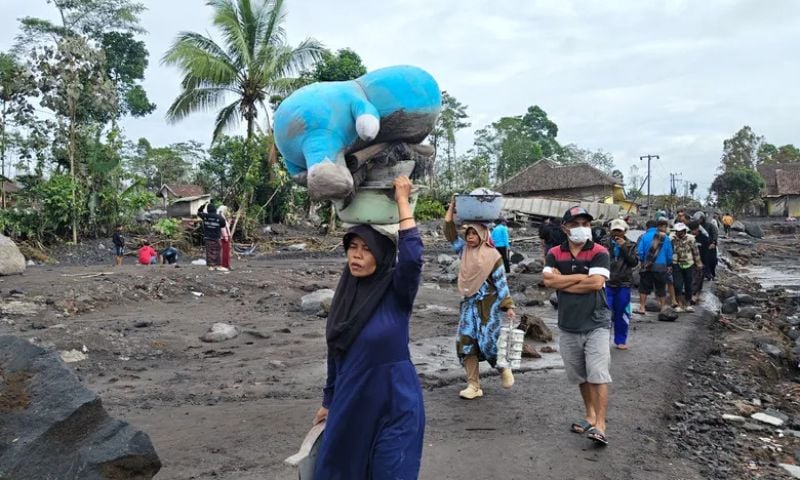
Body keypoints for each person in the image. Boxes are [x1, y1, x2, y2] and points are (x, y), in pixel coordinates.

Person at [312, 176, 424, 479]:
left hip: (395, 402)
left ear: (382, 254)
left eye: (366, 248)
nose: (356, 254)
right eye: (352, 247)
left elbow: (412, 259)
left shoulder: (396, 294)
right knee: (340, 471)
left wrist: (402, 200)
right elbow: (335, 353)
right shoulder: (344, 299)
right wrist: (328, 401)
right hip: (352, 401)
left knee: (392, 470)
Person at [543, 206, 612, 446]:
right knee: (581, 376)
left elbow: (596, 284)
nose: (582, 228)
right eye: (575, 224)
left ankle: (600, 426)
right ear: (564, 228)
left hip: (596, 323)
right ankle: (590, 415)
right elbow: (547, 280)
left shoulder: (599, 251)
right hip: (568, 324)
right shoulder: (554, 252)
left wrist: (562, 282)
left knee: (598, 373)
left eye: (585, 223)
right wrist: (581, 277)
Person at [445, 199, 516, 399]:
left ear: (483, 234)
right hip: (469, 305)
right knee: (466, 342)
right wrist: (452, 208)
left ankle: (503, 367)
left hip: (489, 305)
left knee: (488, 342)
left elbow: (501, 282)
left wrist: (508, 305)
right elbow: (449, 232)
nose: (469, 237)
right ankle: (473, 385)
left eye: (474, 233)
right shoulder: (463, 251)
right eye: (468, 233)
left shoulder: (493, 256)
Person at [602, 219, 638, 350]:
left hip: (624, 283)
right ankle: (602, 340)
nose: (616, 234)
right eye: (614, 230)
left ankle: (620, 340)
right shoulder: (603, 243)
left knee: (622, 312)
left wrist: (623, 247)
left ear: (625, 232)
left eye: (619, 231)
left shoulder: (631, 245)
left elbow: (634, 262)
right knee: (604, 312)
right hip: (606, 282)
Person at [635, 219, 673, 314]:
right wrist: (668, 264)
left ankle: (642, 307)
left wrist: (645, 262)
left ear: (647, 227)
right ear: (656, 227)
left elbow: (639, 252)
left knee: (644, 287)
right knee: (661, 287)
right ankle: (663, 308)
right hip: (661, 266)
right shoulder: (665, 237)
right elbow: (669, 254)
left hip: (647, 266)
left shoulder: (643, 237)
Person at [670, 223, 703, 313]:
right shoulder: (671, 239)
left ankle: (688, 304)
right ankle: (679, 304)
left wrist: (699, 263)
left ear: (684, 231)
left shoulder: (691, 239)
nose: (679, 233)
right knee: (678, 284)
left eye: (681, 232)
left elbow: (695, 252)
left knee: (689, 284)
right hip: (676, 263)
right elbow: (669, 251)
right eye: (677, 232)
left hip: (689, 263)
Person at [197, 203, 227, 271]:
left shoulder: (205, 216)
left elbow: (198, 212)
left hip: (207, 237)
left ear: (208, 210)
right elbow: (223, 225)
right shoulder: (219, 217)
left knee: (209, 252)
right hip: (216, 237)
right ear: (215, 209)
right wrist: (225, 236)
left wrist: (202, 206)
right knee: (218, 251)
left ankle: (211, 266)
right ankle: (218, 266)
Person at [688, 221, 710, 304]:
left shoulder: (704, 238)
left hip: (700, 261)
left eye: (695, 230)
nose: (693, 232)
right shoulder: (687, 237)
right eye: (692, 230)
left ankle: (695, 295)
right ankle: (691, 294)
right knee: (690, 279)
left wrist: (703, 263)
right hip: (689, 261)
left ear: (698, 229)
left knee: (698, 279)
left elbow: (706, 252)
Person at [697, 212, 719, 281]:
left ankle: (713, 274)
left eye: (700, 219)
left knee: (712, 261)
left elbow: (715, 234)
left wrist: (714, 242)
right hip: (702, 247)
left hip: (710, 247)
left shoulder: (710, 225)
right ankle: (706, 274)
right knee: (703, 261)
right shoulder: (697, 226)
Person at [218, 205, 233, 270]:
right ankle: (225, 265)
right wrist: (226, 236)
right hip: (224, 237)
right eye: (226, 210)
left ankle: (225, 264)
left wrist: (229, 223)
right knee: (225, 251)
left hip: (224, 236)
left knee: (225, 251)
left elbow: (226, 227)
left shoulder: (221, 216)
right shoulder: (221, 217)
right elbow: (222, 228)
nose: (226, 211)